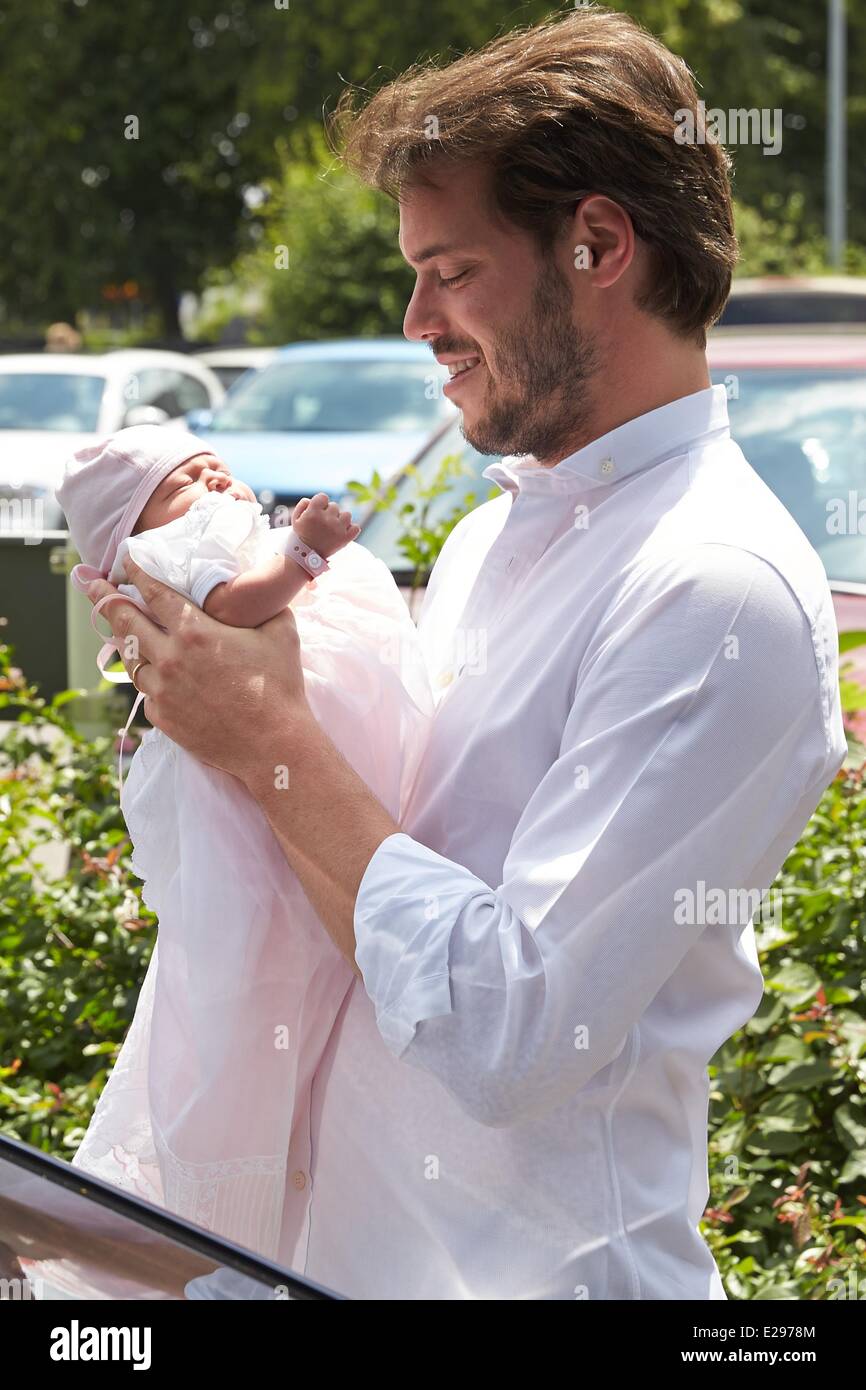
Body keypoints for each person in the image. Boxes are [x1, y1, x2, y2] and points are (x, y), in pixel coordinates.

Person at [80, 9, 848, 1299]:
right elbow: (372, 918)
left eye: (449, 269)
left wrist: (266, 741)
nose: (412, 316)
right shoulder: (506, 534)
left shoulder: (713, 591)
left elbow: (505, 1033)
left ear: (597, 243)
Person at [56, 425, 432, 1262]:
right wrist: (303, 552)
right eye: (181, 480)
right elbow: (229, 608)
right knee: (269, 966)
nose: (210, 476)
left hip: (303, 755)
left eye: (206, 459)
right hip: (256, 786)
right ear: (135, 530)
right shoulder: (170, 556)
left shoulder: (202, 532)